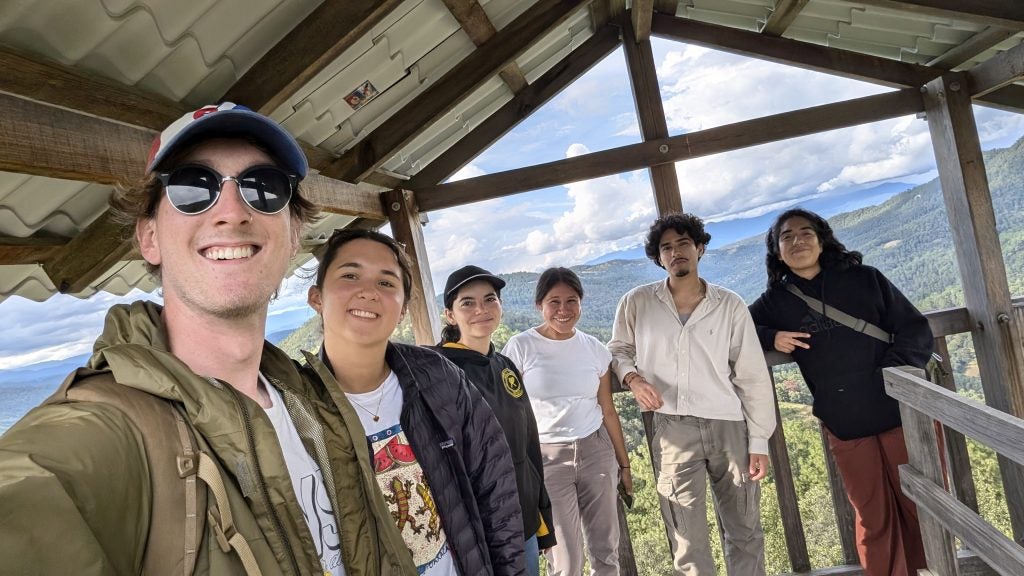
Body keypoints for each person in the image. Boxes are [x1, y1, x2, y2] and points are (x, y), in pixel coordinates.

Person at [0, 103, 413, 574]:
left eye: (264, 188)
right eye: (193, 187)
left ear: (294, 235)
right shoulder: (108, 429)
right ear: (149, 237)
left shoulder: (315, 402)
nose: (233, 211)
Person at [301, 229, 526, 576]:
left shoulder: (438, 377)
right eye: (350, 275)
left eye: (387, 283)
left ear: (404, 308)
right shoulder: (296, 408)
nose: (368, 292)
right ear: (317, 297)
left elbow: (495, 484)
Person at [748, 208, 931, 576]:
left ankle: (933, 569)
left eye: (805, 233)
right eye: (786, 237)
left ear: (821, 239)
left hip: (899, 411)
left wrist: (891, 371)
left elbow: (915, 328)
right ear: (776, 250)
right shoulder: (776, 302)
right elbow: (735, 329)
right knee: (872, 514)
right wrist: (771, 336)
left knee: (920, 508)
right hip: (844, 420)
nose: (797, 241)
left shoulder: (865, 280)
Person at [608, 212, 776, 576]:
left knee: (745, 530)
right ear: (658, 258)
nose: (675, 252)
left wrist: (760, 439)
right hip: (671, 427)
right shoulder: (637, 302)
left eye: (683, 243)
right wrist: (633, 379)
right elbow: (618, 350)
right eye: (666, 247)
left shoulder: (728, 304)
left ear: (700, 248)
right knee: (686, 537)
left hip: (729, 425)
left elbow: (751, 374)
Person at [502, 267, 632, 576]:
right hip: (546, 458)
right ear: (539, 305)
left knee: (606, 550)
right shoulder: (520, 348)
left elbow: (608, 410)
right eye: (554, 302)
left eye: (571, 301)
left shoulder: (595, 350)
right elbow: (508, 412)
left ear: (581, 302)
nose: (563, 310)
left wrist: (624, 465)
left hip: (596, 451)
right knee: (566, 560)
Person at [431, 265, 556, 576]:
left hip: (522, 521)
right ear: (450, 315)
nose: (481, 310)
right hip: (475, 529)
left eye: (489, 299)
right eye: (468, 303)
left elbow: (528, 445)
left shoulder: (504, 366)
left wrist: (543, 518)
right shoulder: (437, 371)